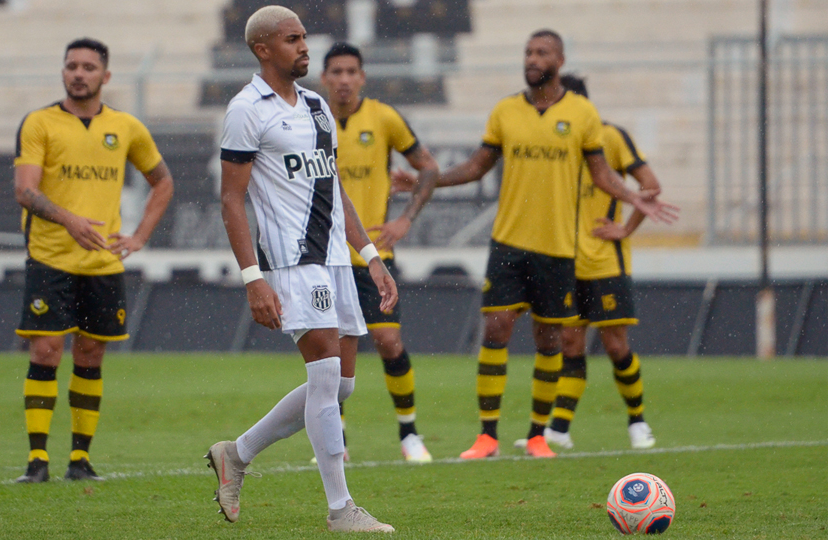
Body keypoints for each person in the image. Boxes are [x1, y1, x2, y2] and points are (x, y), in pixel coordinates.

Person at [395, 29, 677, 460]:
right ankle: (487, 436)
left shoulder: (582, 113)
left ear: (559, 60)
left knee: (549, 341)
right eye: (528, 52)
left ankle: (539, 435)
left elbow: (601, 174)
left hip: (558, 248)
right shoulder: (506, 111)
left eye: (541, 52)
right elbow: (475, 165)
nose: (532, 58)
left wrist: (632, 197)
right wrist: (424, 180)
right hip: (509, 242)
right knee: (497, 328)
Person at [206, 6, 396, 533]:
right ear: (263, 49)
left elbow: (335, 188)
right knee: (326, 376)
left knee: (342, 388)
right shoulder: (247, 109)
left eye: (304, 37)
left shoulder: (316, 105)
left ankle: (236, 454)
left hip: (336, 259)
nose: (304, 47)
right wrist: (253, 278)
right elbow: (231, 200)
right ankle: (341, 510)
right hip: (292, 262)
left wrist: (371, 257)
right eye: (292, 39)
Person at [12, 37, 174, 483]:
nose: (78, 73)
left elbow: (163, 183)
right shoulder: (40, 123)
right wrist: (68, 220)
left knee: (91, 355)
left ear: (105, 76)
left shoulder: (125, 126)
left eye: (87, 67)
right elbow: (25, 190)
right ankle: (37, 460)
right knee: (45, 351)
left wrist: (140, 235)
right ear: (63, 72)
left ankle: (80, 460)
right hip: (50, 257)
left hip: (102, 264)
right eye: (71, 66)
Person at [319, 42, 439, 463]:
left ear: (363, 77)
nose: (344, 79)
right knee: (330, 350)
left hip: (371, 254)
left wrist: (406, 219)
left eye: (352, 71)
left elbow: (428, 166)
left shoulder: (384, 118)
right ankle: (338, 440)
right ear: (324, 78)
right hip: (323, 256)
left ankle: (409, 433)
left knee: (387, 340)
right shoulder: (310, 119)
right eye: (336, 71)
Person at [534, 74, 659, 450]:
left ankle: (637, 421)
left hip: (605, 261)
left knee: (616, 345)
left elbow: (651, 186)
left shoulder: (611, 137)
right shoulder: (552, 141)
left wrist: (625, 229)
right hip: (565, 260)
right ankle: (559, 428)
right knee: (571, 343)